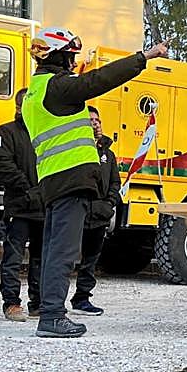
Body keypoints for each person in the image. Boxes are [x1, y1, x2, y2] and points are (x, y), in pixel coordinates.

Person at [22, 26, 167, 338]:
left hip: (52, 180)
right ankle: (52, 318)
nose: (73, 62)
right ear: (58, 55)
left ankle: (47, 311)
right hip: (71, 178)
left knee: (51, 250)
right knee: (63, 251)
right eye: (70, 56)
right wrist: (145, 56)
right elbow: (100, 80)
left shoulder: (34, 91)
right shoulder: (58, 87)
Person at [0, 88, 42, 322]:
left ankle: (39, 303)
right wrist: (28, 189)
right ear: (19, 106)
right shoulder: (6, 132)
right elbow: (2, 165)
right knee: (13, 256)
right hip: (19, 207)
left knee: (42, 258)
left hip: (43, 207)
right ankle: (11, 303)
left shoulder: (45, 132)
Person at [71, 105, 121, 317]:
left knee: (90, 259)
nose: (95, 123)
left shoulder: (108, 154)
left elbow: (114, 183)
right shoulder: (75, 149)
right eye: (91, 120)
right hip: (77, 212)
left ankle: (82, 298)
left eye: (97, 120)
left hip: (99, 214)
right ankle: (50, 301)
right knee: (65, 258)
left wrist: (108, 204)